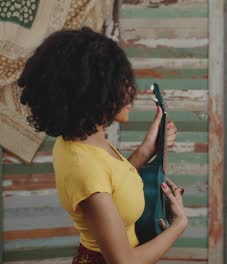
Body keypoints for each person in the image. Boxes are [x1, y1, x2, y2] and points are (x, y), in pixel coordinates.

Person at [19, 27, 187, 264]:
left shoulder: (83, 142)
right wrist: (178, 226)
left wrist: (146, 150)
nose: (131, 91)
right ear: (89, 90)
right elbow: (124, 261)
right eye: (119, 83)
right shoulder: (83, 166)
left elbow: (110, 183)